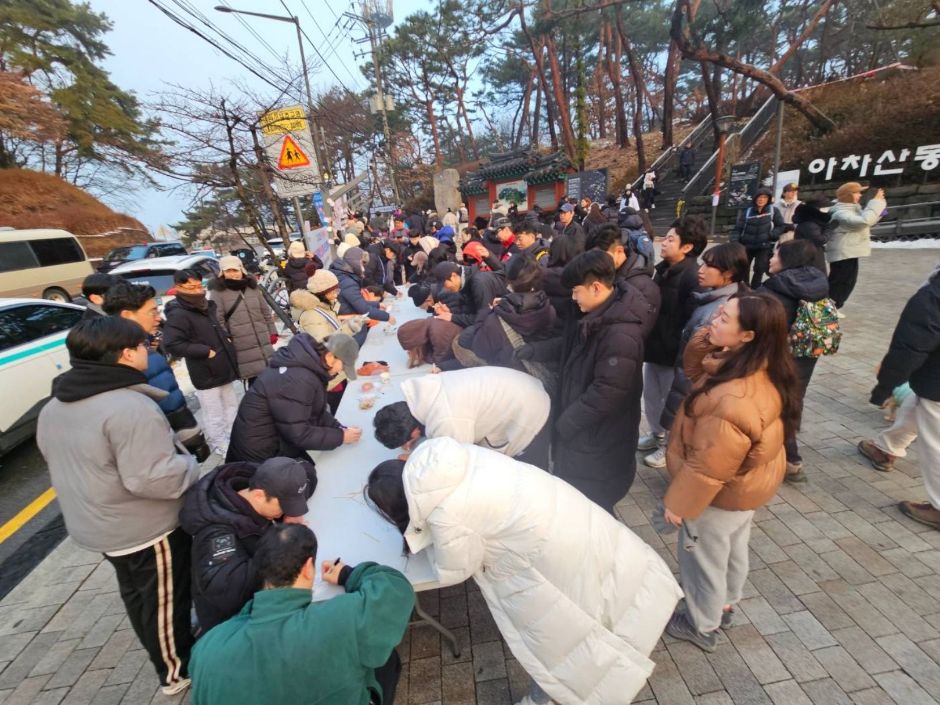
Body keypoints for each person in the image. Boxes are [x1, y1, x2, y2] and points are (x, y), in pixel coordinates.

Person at [365, 439, 683, 705]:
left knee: (559, 636)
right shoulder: (445, 459)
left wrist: (420, 533)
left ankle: (546, 696)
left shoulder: (446, 515)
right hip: (567, 516)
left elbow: (453, 570)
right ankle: (637, 629)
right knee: (610, 584)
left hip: (548, 553)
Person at [36, 317, 200, 695]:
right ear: (127, 353)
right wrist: (190, 465)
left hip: (97, 522)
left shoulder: (56, 404)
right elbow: (153, 478)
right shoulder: (128, 407)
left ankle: (165, 648)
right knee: (164, 601)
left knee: (138, 594)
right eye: (145, 344)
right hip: (143, 527)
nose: (149, 349)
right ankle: (176, 670)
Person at [661, 292, 800, 651]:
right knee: (733, 548)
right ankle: (725, 603)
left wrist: (680, 504)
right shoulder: (756, 364)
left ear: (747, 336)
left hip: (719, 493)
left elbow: (710, 462)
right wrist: (712, 334)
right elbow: (695, 369)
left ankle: (701, 623)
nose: (714, 321)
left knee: (702, 558)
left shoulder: (732, 397)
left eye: (724, 319)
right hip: (745, 489)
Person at [189, 523, 414, 705]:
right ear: (308, 568)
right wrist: (347, 574)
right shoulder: (340, 621)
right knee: (386, 660)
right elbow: (395, 588)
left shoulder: (206, 649)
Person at [535, 250, 650, 512]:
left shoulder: (620, 333)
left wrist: (566, 422)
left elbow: (607, 392)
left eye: (576, 291)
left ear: (596, 287)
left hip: (599, 445)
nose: (573, 299)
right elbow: (569, 350)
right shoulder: (594, 318)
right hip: (585, 438)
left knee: (594, 514)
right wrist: (534, 352)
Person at [180, 457, 317, 634]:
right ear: (259, 495)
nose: (286, 511)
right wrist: (283, 544)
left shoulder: (261, 480)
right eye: (283, 506)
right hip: (232, 627)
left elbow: (306, 473)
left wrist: (289, 513)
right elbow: (227, 591)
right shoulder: (216, 533)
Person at [652, 242, 749, 469]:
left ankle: (672, 451)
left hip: (695, 379)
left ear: (728, 274)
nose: (701, 270)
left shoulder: (722, 309)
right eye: (703, 263)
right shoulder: (709, 297)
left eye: (709, 266)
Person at [104, 282, 210, 461]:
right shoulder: (137, 355)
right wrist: (193, 440)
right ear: (127, 315)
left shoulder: (109, 348)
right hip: (161, 449)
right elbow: (171, 403)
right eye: (152, 311)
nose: (158, 318)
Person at [869, 266, 940, 530]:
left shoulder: (933, 295)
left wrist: (884, 388)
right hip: (930, 382)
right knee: (915, 405)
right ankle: (886, 447)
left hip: (937, 382)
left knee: (934, 442)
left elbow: (909, 348)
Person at [374, 366, 552, 469]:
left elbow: (459, 463)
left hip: (531, 411)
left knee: (525, 470)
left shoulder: (446, 419)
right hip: (522, 387)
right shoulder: (424, 391)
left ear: (413, 433)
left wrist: (416, 459)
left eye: (404, 443)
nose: (405, 446)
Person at [226, 332, 362, 463]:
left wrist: (339, 428)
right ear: (331, 357)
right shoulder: (299, 380)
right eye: (343, 366)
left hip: (277, 440)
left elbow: (314, 411)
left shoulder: (309, 367)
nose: (341, 371)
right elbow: (299, 434)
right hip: (259, 455)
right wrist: (341, 437)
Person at [760, 239, 831, 482]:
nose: (771, 259)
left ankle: (785, 457)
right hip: (805, 356)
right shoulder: (817, 283)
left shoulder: (776, 289)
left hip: (776, 357)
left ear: (788, 261)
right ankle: (792, 458)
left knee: (770, 405)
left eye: (776, 255)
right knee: (792, 401)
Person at [640, 217, 708, 458]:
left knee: (673, 403)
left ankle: (670, 446)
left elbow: (691, 322)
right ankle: (657, 435)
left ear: (687, 247)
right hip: (656, 347)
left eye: (671, 239)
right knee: (652, 398)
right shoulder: (664, 270)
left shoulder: (692, 277)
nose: (664, 243)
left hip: (674, 354)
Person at [163, 270, 240, 457]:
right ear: (178, 287)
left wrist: (226, 340)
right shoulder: (178, 313)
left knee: (231, 406)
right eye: (191, 287)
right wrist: (205, 351)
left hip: (223, 363)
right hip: (205, 370)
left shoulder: (206, 305)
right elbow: (173, 344)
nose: (197, 290)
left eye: (199, 286)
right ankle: (220, 443)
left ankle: (234, 437)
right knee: (214, 413)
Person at [460, 255, 557, 379]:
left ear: (510, 283)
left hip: (510, 374)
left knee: (462, 340)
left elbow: (480, 349)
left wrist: (486, 312)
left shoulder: (495, 320)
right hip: (538, 372)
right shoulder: (549, 309)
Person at [207, 255, 276, 387]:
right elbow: (217, 320)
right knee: (256, 384)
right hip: (242, 345)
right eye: (228, 271)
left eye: (235, 270)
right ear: (222, 273)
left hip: (263, 341)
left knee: (272, 379)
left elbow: (265, 311)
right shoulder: (218, 292)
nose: (233, 274)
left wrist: (272, 331)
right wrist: (228, 339)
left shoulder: (252, 287)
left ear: (241, 270)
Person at [586, 223, 659, 338]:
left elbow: (636, 334)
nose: (597, 263)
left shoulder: (643, 286)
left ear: (619, 251)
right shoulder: (608, 274)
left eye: (601, 257)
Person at [827, 182, 886, 311]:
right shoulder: (840, 212)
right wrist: (875, 203)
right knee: (840, 283)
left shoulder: (851, 209)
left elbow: (866, 221)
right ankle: (828, 309)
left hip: (849, 252)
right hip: (843, 253)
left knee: (847, 283)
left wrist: (879, 212)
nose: (860, 195)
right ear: (849, 195)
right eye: (857, 192)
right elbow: (863, 222)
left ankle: (832, 308)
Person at [731, 187, 786, 288]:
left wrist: (771, 235)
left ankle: (755, 287)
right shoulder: (747, 212)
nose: (761, 200)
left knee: (760, 268)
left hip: (764, 246)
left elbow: (781, 226)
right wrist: (735, 241)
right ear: (755, 198)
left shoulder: (774, 211)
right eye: (759, 197)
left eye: (764, 197)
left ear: (768, 199)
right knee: (744, 268)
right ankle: (745, 287)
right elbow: (738, 228)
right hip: (746, 245)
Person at [430, 261, 507, 328]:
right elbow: (473, 308)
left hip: (506, 321)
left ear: (453, 276)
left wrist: (453, 317)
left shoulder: (478, 284)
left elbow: (484, 319)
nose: (446, 289)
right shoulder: (464, 282)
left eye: (445, 285)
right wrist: (451, 311)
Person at [331, 246, 394, 324]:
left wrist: (377, 305)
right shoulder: (348, 282)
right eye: (361, 264)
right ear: (354, 262)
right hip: (349, 324)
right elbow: (363, 309)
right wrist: (387, 317)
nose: (363, 269)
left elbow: (355, 302)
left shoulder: (342, 275)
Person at [792, 197, 831, 272]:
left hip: (810, 255)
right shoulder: (809, 224)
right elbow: (819, 240)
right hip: (809, 257)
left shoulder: (813, 222)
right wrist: (829, 229)